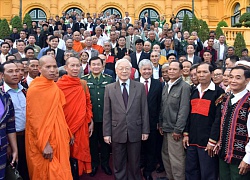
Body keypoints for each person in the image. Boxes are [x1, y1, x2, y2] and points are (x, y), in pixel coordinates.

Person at [25, 55, 72, 180]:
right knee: (48, 173)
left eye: (55, 66)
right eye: (48, 67)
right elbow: (34, 119)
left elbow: (58, 113)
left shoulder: (53, 86)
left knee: (61, 170)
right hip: (43, 140)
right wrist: (44, 144)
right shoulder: (35, 89)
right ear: (40, 69)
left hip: (58, 136)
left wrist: (67, 131)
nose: (53, 70)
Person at [103, 59, 150, 180]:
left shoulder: (139, 87)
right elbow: (107, 112)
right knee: (118, 161)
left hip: (135, 129)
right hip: (116, 130)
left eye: (127, 69)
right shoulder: (109, 88)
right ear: (116, 71)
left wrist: (145, 130)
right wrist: (106, 133)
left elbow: (144, 110)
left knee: (135, 161)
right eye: (121, 68)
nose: (124, 71)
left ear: (131, 71)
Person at [183, 62, 224, 180]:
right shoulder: (193, 91)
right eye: (198, 72)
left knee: (208, 172)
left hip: (207, 142)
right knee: (191, 170)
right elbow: (188, 115)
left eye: (204, 72)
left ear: (211, 74)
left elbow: (218, 119)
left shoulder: (218, 93)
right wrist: (186, 133)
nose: (201, 75)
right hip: (192, 140)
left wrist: (212, 140)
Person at [57, 57, 93, 179]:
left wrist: (90, 120)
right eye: (72, 65)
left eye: (78, 65)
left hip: (81, 124)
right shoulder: (58, 85)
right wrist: (67, 130)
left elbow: (88, 103)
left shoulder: (82, 84)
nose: (75, 68)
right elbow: (57, 110)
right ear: (66, 68)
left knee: (79, 151)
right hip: (65, 125)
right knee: (66, 153)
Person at [215, 66, 250, 180]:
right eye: (231, 77)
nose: (233, 81)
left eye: (238, 78)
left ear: (247, 80)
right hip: (224, 153)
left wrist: (247, 159)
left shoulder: (248, 101)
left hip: (240, 157)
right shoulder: (226, 98)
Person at [82, 56, 113, 177]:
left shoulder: (109, 80)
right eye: (93, 64)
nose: (96, 67)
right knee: (92, 143)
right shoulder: (84, 80)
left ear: (102, 66)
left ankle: (105, 164)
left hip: (106, 118)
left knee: (106, 143)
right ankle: (94, 164)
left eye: (98, 64)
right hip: (91, 119)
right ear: (89, 66)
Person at [159, 61, 190, 180]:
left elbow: (184, 110)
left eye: (174, 69)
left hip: (175, 130)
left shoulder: (184, 87)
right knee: (166, 155)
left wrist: (178, 129)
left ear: (181, 71)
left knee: (177, 158)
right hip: (165, 128)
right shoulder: (166, 85)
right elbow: (163, 106)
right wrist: (161, 123)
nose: (171, 71)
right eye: (169, 69)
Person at [2, 60, 29, 179]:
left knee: (27, 168)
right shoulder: (2, 94)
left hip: (28, 137)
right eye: (10, 71)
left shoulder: (26, 90)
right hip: (8, 140)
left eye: (17, 71)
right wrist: (8, 144)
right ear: (2, 75)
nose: (15, 74)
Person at [136, 59, 162, 180]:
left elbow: (161, 104)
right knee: (138, 146)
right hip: (136, 121)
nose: (147, 71)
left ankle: (148, 169)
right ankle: (140, 164)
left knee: (152, 146)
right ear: (139, 70)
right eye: (144, 69)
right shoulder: (134, 83)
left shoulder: (158, 84)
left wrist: (159, 121)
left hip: (152, 122)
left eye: (149, 69)